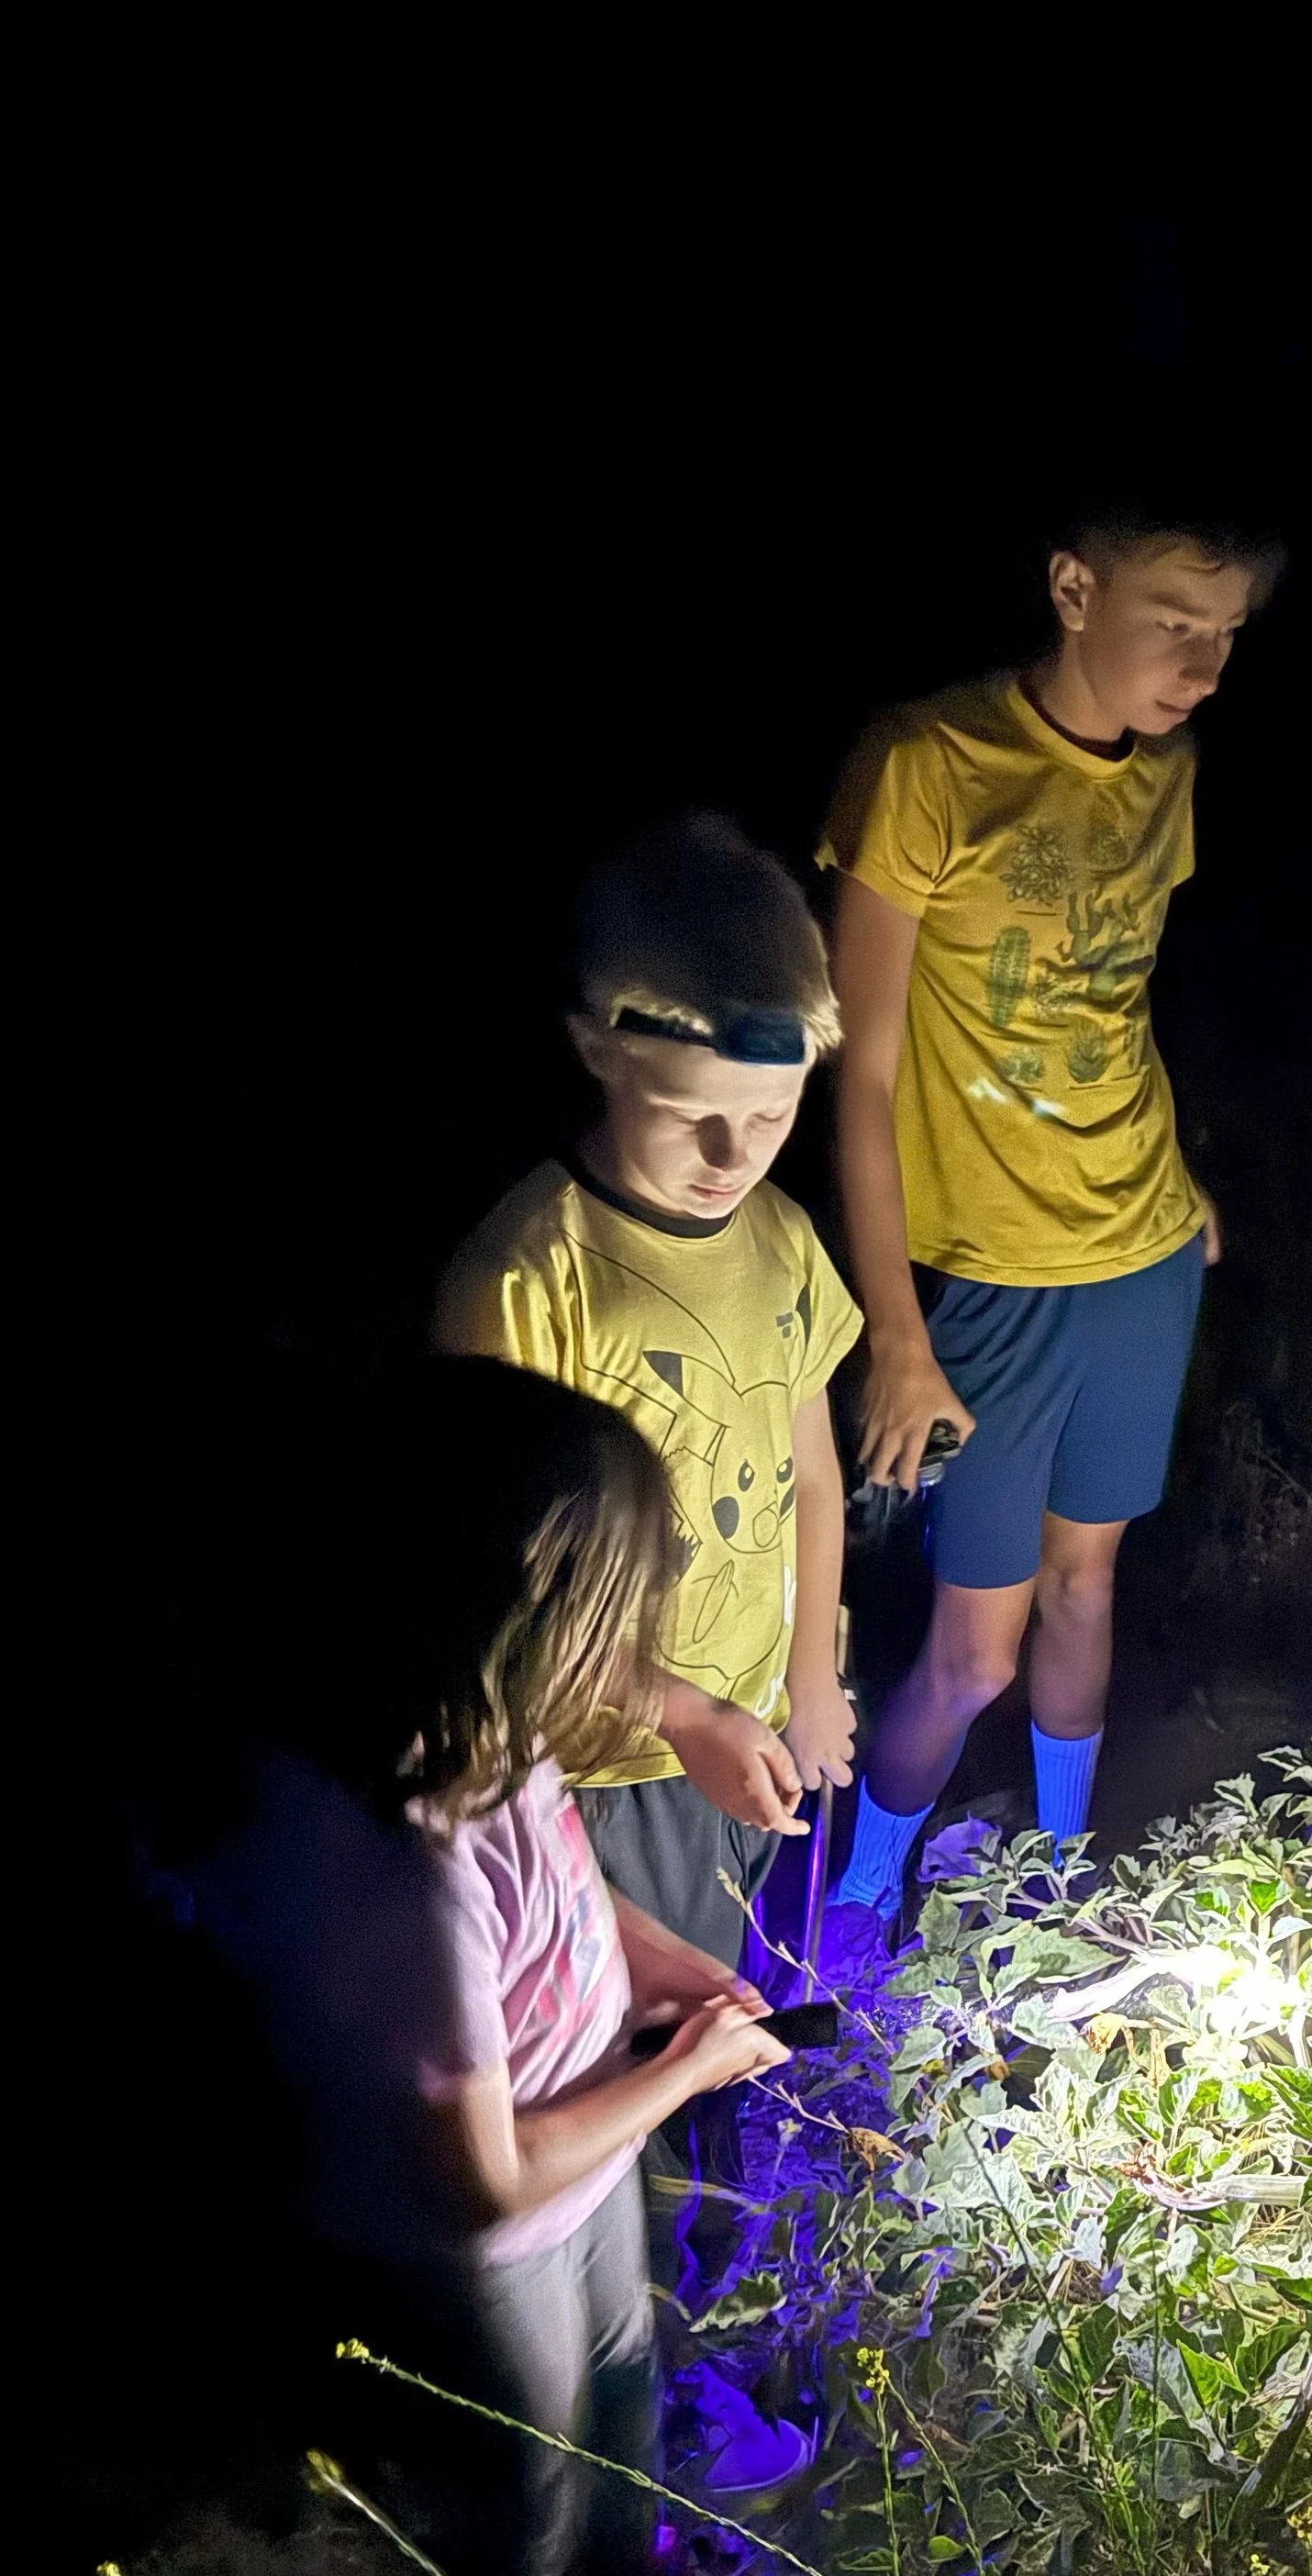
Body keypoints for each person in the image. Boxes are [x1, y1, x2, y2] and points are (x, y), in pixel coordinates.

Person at [186, 1361, 794, 2576]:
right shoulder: (410, 1850)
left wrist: (666, 1966)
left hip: (581, 2168)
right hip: (487, 2242)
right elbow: (483, 2178)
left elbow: (568, 1888)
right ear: (515, 1609)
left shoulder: (492, 1721)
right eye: (613, 1610)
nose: (637, 1638)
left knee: (624, 2364)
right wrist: (683, 2073)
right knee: (526, 2495)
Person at [815, 493, 1281, 1957]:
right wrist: (896, 1332)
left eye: (1229, 635)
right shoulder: (926, 767)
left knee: (1089, 1582)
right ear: (1076, 587)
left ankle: (1065, 1875)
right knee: (974, 1648)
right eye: (1175, 623)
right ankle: (853, 1892)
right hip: (993, 1281)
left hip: (1140, 1255)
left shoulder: (1169, 772)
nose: (1203, 665)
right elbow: (867, 1065)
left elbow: (1109, 998)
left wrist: (1179, 1176)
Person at [436, 812, 862, 1972]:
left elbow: (810, 1471)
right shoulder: (529, 1277)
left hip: (744, 1727)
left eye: (771, 1117)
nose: (734, 1154)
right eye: (692, 1116)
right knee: (613, 2016)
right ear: (599, 1050)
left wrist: (809, 1672)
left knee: (716, 1978)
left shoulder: (778, 1239)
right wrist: (680, 1712)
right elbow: (502, 1592)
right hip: (594, 1763)